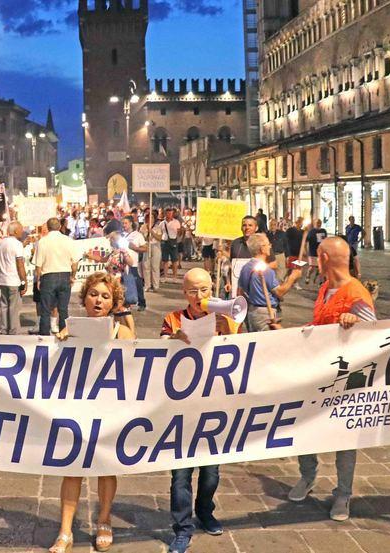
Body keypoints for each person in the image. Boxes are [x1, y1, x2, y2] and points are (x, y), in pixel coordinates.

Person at [287, 237, 375, 521]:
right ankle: (308, 475)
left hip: (346, 379)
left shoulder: (357, 293)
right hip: (317, 372)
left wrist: (356, 323)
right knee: (304, 427)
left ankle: (343, 494)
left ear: (322, 258)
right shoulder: (325, 287)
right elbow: (322, 321)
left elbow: (374, 338)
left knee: (344, 436)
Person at [50, 272, 135, 553]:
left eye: (106, 296)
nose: (98, 300)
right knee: (72, 468)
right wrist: (62, 340)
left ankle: (104, 520)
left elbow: (135, 367)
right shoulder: (70, 328)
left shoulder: (120, 332)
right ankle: (65, 531)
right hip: (79, 409)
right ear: (84, 297)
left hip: (109, 410)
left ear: (113, 303)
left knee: (106, 468)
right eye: (93, 294)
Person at [160, 268, 240, 553]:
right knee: (180, 475)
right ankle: (182, 528)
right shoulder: (172, 319)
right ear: (185, 293)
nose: (199, 296)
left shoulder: (226, 319)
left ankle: (204, 510)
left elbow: (241, 354)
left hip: (214, 408)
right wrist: (173, 340)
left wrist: (226, 327)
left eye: (204, 290)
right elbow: (156, 355)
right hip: (182, 410)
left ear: (212, 289)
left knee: (211, 473)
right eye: (193, 290)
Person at [237, 233, 301, 331]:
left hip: (251, 312)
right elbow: (280, 292)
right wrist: (292, 277)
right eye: (268, 244)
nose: (270, 247)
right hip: (265, 313)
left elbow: (241, 292)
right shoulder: (265, 270)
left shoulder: (245, 268)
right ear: (262, 248)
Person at [33, 218, 79, 336]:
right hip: (65, 275)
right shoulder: (68, 240)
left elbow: (38, 264)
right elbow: (75, 263)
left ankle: (44, 336)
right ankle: (64, 335)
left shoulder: (43, 241)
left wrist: (38, 279)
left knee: (45, 310)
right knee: (63, 309)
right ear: (59, 227)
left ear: (47, 228)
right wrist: (72, 276)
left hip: (48, 276)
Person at [0, 221, 27, 335]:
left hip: (3, 279)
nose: (22, 231)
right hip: (13, 280)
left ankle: (4, 330)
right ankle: (13, 332)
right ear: (15, 231)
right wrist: (24, 281)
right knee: (14, 309)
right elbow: (20, 264)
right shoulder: (17, 244)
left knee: (5, 307)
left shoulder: (2, 242)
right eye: (21, 229)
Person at [122, 215, 148, 311]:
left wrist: (135, 248)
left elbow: (145, 248)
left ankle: (142, 303)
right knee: (125, 284)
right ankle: (127, 302)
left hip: (132, 264)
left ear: (131, 223)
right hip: (123, 264)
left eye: (125, 223)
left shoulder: (138, 235)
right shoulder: (124, 235)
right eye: (123, 223)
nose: (124, 225)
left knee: (137, 283)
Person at [303, 219, 328, 285]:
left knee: (321, 267)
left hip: (321, 252)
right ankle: (308, 276)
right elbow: (305, 242)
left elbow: (325, 241)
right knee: (312, 267)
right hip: (313, 252)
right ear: (314, 223)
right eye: (317, 223)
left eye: (320, 222)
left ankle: (321, 282)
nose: (319, 224)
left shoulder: (323, 231)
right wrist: (305, 250)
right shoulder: (311, 232)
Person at [159, 208, 182, 279]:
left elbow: (179, 232)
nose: (169, 215)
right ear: (165, 213)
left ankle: (174, 277)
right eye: (168, 213)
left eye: (171, 213)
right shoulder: (162, 223)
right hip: (164, 242)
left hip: (173, 241)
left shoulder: (176, 222)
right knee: (165, 260)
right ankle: (165, 276)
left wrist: (180, 235)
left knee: (174, 260)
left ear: (173, 214)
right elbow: (160, 233)